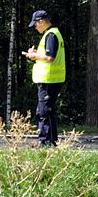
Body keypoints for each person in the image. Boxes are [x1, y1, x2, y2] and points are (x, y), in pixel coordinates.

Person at [24, 9, 65, 147]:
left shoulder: (51, 35)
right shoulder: (53, 33)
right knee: (47, 111)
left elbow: (50, 57)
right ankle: (51, 141)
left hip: (48, 80)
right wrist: (37, 53)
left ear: (41, 21)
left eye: (35, 25)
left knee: (44, 112)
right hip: (50, 80)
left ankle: (45, 142)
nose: (35, 28)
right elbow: (47, 54)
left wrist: (34, 56)